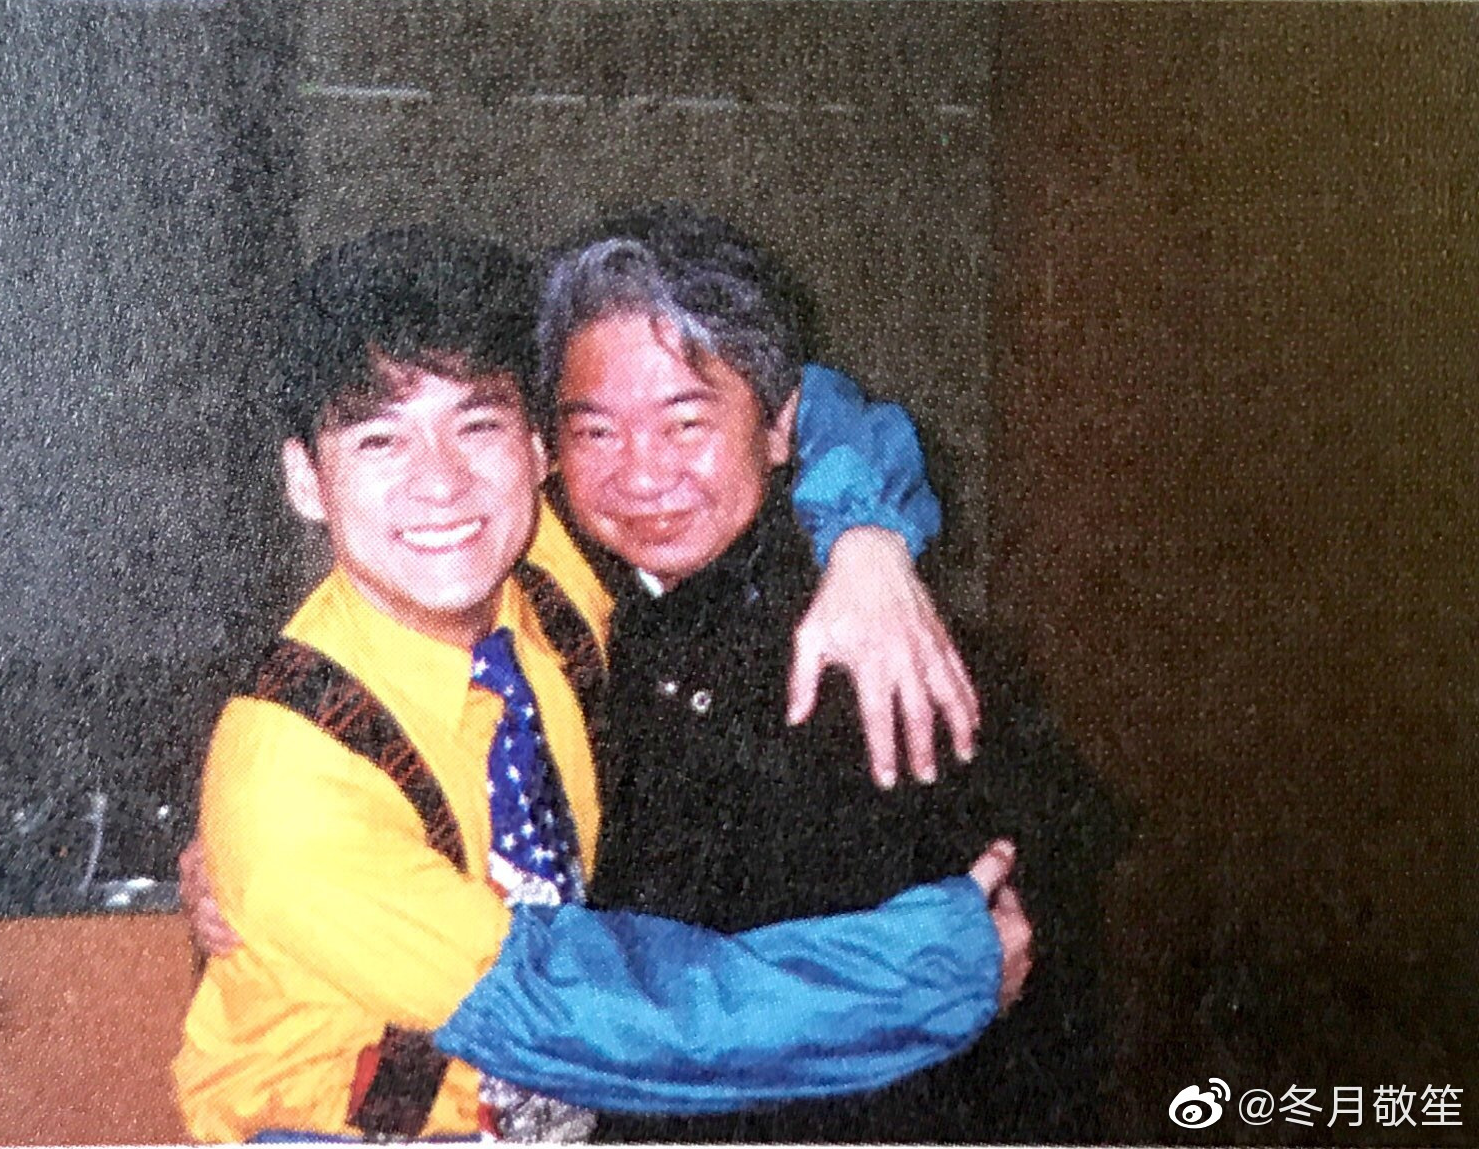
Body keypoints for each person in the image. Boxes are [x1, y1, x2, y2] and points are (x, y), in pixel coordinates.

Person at [172, 226, 1032, 1143]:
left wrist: (866, 537)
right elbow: (573, 1010)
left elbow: (800, 395)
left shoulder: (542, 563)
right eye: (380, 440)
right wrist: (926, 976)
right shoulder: (290, 780)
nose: (442, 485)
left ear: (536, 448)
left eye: (476, 425)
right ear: (306, 480)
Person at [463, 204, 1122, 1141]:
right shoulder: (536, 600)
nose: (643, 476)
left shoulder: (885, 653)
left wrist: (866, 538)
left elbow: (1030, 993)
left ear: (780, 430)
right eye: (597, 433)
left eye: (687, 422)